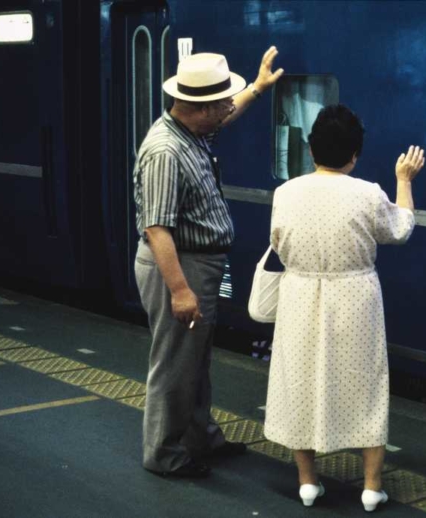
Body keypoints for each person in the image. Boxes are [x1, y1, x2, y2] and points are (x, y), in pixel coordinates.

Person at [263, 105, 424, 511]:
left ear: (311, 149)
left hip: (300, 295)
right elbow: (401, 229)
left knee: (301, 380)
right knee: (365, 385)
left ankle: (307, 482)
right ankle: (371, 487)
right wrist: (404, 180)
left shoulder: (286, 193)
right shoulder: (367, 193)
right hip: (355, 298)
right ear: (354, 154)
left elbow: (280, 245)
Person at [133, 48, 283, 478]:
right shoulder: (165, 151)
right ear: (196, 107)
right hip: (179, 267)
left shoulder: (192, 131)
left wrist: (256, 87)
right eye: (219, 107)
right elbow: (156, 228)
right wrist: (180, 290)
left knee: (195, 362)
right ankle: (164, 455)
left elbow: (228, 113)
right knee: (176, 364)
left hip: (199, 266)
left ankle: (201, 438)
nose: (226, 112)